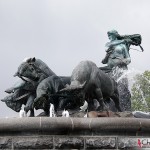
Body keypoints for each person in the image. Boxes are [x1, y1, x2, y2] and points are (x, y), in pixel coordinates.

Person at [100, 30, 133, 111]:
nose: (109, 37)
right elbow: (104, 61)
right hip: (110, 70)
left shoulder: (122, 46)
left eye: (110, 35)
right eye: (108, 35)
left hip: (121, 70)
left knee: (122, 88)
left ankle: (124, 109)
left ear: (115, 35)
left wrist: (122, 61)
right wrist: (107, 55)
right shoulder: (108, 45)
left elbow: (129, 59)